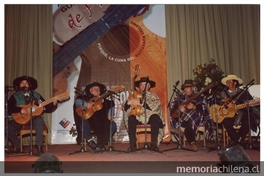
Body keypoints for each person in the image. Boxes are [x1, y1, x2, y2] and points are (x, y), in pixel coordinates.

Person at [7, 76, 58, 155]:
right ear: (19, 85)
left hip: (33, 118)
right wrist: (20, 110)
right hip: (19, 119)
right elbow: (10, 108)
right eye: (22, 83)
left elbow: (46, 107)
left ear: (29, 85)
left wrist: (53, 104)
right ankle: (18, 146)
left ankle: (39, 147)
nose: (24, 84)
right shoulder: (14, 96)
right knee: (7, 127)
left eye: (26, 83)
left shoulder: (36, 95)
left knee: (39, 120)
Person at [170, 79, 214, 152]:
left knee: (190, 113)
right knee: (187, 120)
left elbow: (203, 107)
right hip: (185, 119)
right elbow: (173, 109)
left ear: (192, 88)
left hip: (197, 116)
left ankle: (181, 129)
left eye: (188, 87)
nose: (186, 89)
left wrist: (194, 107)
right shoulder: (181, 97)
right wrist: (180, 109)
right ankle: (192, 142)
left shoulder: (199, 95)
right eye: (185, 88)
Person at [123, 77, 165, 152]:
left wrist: (141, 103)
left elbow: (154, 107)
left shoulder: (154, 96)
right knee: (131, 118)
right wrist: (128, 103)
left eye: (145, 84)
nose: (142, 86)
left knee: (155, 117)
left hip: (149, 117)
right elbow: (125, 107)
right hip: (138, 116)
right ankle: (132, 145)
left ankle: (153, 144)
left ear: (149, 86)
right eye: (141, 85)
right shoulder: (134, 95)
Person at [218, 75, 260, 148]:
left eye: (229, 81)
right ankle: (238, 139)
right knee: (226, 121)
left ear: (235, 83)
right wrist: (222, 101)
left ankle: (236, 139)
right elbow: (215, 102)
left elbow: (249, 102)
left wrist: (241, 104)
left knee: (248, 120)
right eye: (226, 82)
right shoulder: (222, 93)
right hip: (228, 114)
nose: (226, 83)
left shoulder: (242, 92)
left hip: (241, 113)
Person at [73, 82, 117, 152]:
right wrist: (85, 104)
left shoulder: (106, 101)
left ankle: (100, 143)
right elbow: (77, 102)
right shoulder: (84, 98)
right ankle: (91, 142)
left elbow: (111, 107)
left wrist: (110, 114)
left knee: (113, 125)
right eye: (95, 89)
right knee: (83, 122)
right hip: (90, 123)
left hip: (102, 123)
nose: (97, 90)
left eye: (98, 89)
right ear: (90, 91)